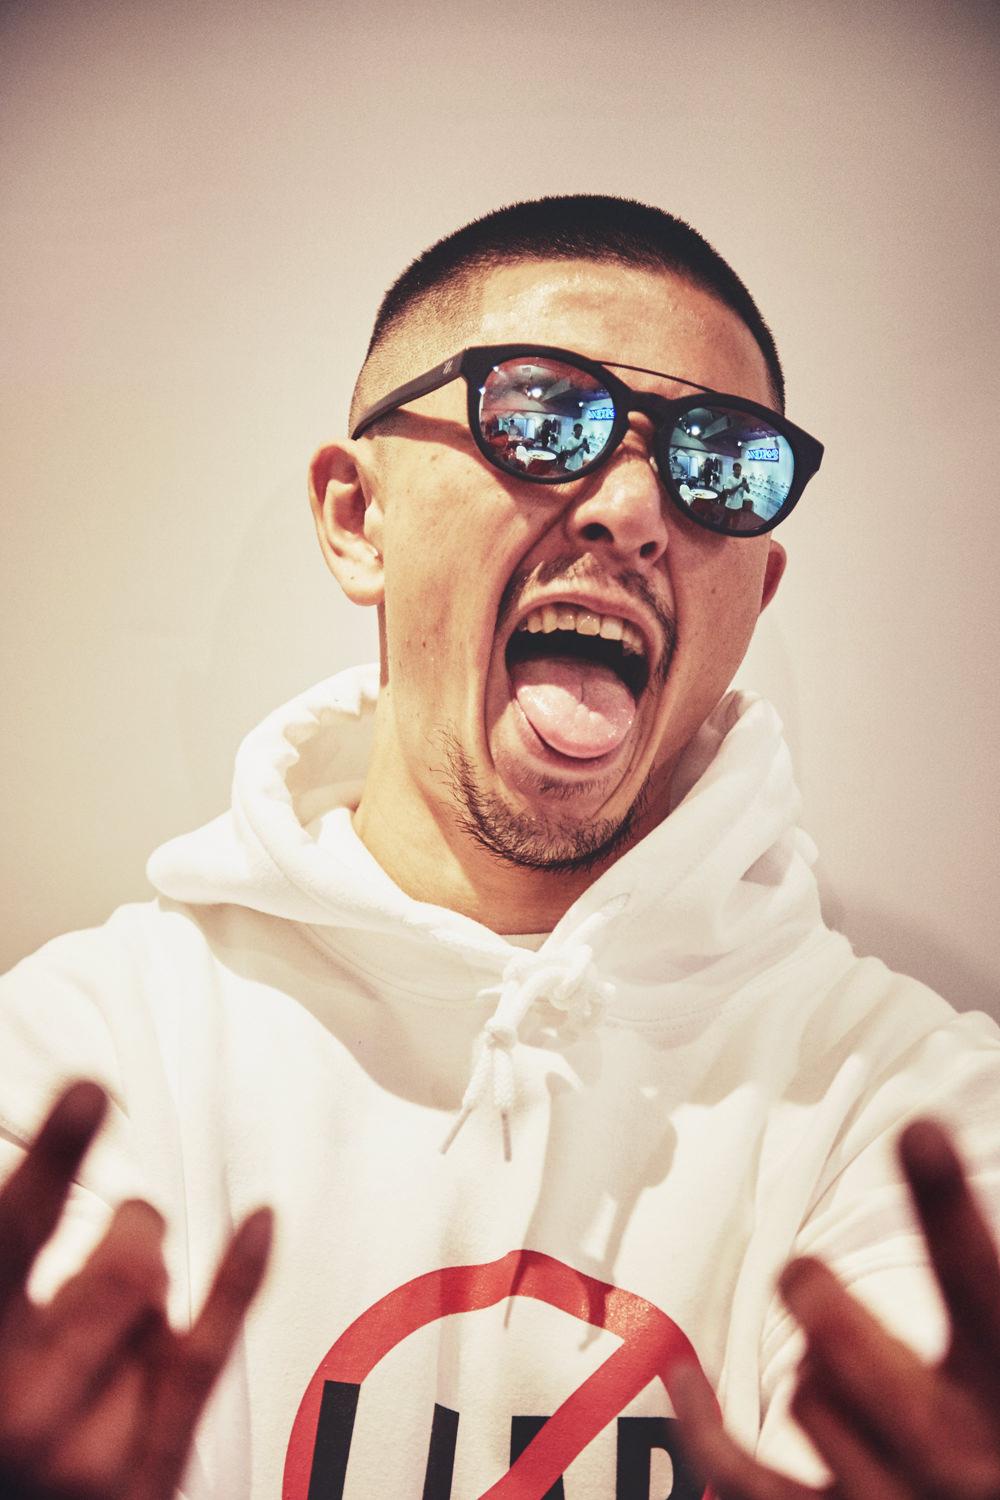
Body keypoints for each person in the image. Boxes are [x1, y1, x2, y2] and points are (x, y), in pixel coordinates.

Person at [2, 193, 1000, 1500]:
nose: (634, 507)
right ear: (358, 517)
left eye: (720, 461)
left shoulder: (912, 1106)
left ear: (754, 593)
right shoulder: (82, 1053)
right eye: (542, 416)